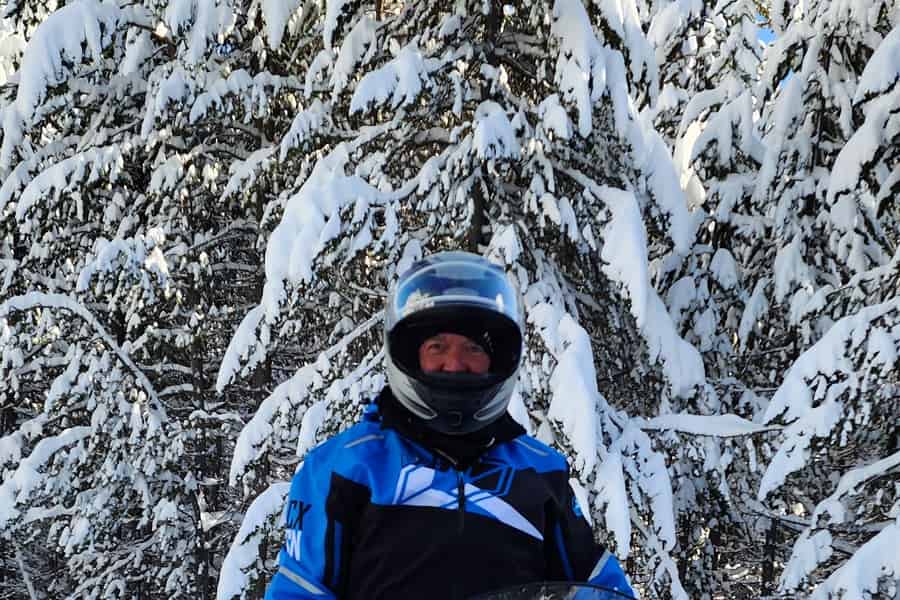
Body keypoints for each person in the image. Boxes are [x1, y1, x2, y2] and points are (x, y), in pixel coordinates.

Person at [265, 251, 636, 599]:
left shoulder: (541, 471)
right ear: (409, 354)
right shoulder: (345, 467)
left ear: (498, 360)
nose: (455, 365)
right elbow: (299, 591)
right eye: (437, 347)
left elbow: (597, 585)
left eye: (473, 349)